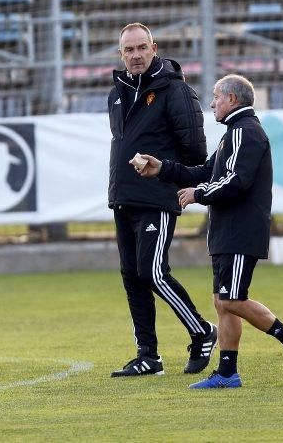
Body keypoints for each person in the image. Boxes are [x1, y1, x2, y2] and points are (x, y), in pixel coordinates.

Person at [135, 74, 283, 388]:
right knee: (222, 301)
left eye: (216, 96)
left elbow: (236, 181)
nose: (212, 102)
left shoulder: (246, 132)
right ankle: (228, 373)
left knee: (231, 299)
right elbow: (206, 170)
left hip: (240, 230)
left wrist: (199, 193)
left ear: (232, 99)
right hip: (227, 231)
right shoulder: (233, 133)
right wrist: (162, 168)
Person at [108, 23, 217, 378]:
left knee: (153, 272)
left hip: (157, 196)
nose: (136, 55)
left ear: (154, 48)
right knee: (132, 275)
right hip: (124, 197)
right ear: (121, 54)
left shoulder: (175, 91)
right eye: (129, 50)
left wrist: (171, 179)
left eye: (142, 48)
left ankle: (202, 331)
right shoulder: (117, 91)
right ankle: (148, 355)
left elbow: (196, 152)